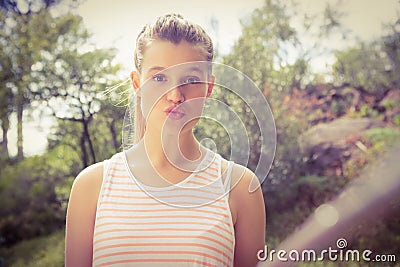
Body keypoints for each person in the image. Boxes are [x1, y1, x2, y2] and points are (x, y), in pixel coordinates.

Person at [65, 13, 265, 267]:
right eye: (159, 78)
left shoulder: (241, 187)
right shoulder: (91, 186)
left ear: (209, 88)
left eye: (191, 80)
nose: (175, 95)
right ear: (137, 84)